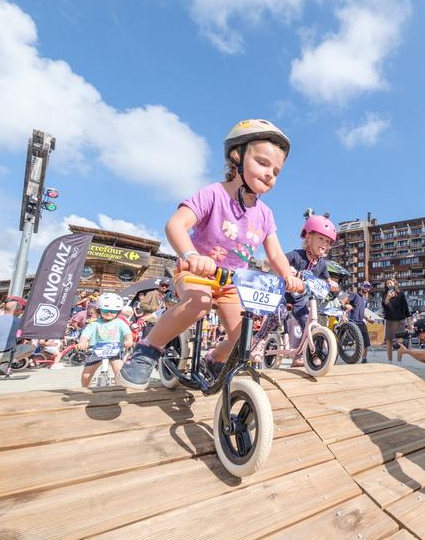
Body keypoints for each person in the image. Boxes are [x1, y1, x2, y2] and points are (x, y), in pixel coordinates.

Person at [118, 119, 305, 389]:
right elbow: (176, 224)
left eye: (276, 171)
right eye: (263, 163)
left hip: (231, 281)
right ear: (237, 156)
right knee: (199, 303)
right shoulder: (214, 194)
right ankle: (147, 349)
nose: (270, 174)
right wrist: (192, 254)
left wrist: (289, 275)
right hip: (197, 272)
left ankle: (214, 360)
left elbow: (274, 253)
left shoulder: (265, 214)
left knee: (246, 333)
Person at [252, 214, 336, 367]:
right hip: (283, 294)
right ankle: (259, 340)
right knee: (280, 314)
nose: (325, 243)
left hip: (299, 299)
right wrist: (285, 268)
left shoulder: (322, 264)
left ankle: (301, 354)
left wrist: (331, 284)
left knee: (308, 322)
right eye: (321, 238)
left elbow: (326, 279)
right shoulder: (296, 255)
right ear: (308, 237)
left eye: (328, 241)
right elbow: (276, 261)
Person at [77, 293, 133, 387]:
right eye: (106, 310)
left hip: (115, 351)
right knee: (86, 375)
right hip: (95, 351)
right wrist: (83, 342)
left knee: (119, 372)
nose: (109, 313)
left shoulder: (120, 323)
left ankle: (119, 389)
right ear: (99, 310)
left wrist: (129, 340)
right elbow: (85, 335)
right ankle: (85, 389)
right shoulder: (94, 324)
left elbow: (127, 333)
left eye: (114, 311)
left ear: (118, 312)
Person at [341, 281, 373, 363]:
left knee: (366, 342)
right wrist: (343, 313)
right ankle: (341, 348)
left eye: (368, 287)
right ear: (362, 286)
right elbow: (344, 301)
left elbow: (362, 311)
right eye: (365, 286)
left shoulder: (365, 299)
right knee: (349, 341)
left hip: (361, 322)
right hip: (353, 322)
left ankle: (364, 359)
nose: (367, 288)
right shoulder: (354, 295)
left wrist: (368, 319)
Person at [381, 277, 410, 363]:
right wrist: (388, 297)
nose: (389, 285)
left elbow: (406, 308)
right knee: (389, 341)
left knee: (400, 341)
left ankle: (399, 362)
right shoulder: (385, 294)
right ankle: (390, 361)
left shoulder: (401, 294)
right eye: (387, 283)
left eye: (390, 283)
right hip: (389, 320)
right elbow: (384, 305)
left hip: (400, 320)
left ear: (394, 283)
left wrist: (409, 322)